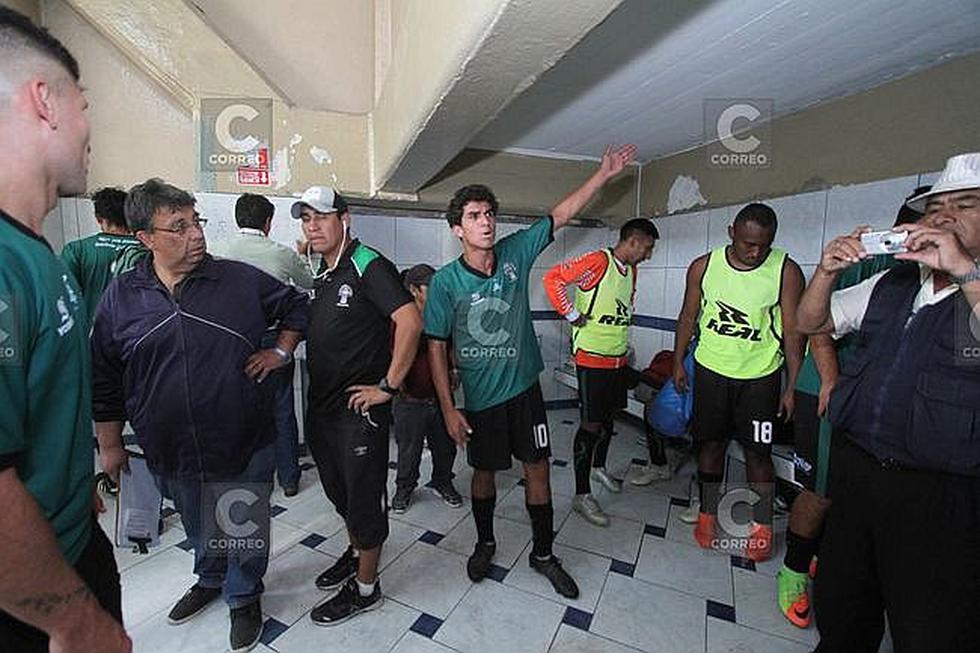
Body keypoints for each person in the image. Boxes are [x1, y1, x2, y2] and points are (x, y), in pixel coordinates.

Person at [92, 178, 309, 653]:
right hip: (169, 446)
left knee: (241, 519)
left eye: (196, 223)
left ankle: (244, 594)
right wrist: (109, 445)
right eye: (179, 227)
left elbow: (297, 306)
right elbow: (104, 375)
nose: (196, 235)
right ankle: (210, 578)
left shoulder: (238, 280)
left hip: (242, 437)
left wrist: (279, 350)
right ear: (144, 238)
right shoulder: (122, 298)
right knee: (195, 520)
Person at [425, 144, 637, 598]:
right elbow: (436, 348)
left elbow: (559, 215)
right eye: (474, 215)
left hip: (525, 392)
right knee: (484, 474)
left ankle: (543, 553)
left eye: (489, 214)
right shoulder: (445, 283)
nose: (485, 221)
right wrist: (448, 409)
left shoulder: (515, 253)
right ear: (456, 228)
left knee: (538, 469)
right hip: (481, 399)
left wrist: (602, 175)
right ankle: (485, 542)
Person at [797, 153, 980, 653]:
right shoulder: (893, 281)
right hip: (860, 473)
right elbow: (810, 323)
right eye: (935, 207)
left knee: (930, 624)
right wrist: (824, 272)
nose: (943, 216)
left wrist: (963, 270)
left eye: (965, 205)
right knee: (843, 606)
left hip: (941, 494)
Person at [0, 8, 131, 652]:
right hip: (28, 607)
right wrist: (73, 623)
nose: (89, 129)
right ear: (44, 102)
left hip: (67, 542)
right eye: (85, 106)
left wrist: (72, 492)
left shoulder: (39, 254)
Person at [775, 186, 928, 628]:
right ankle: (794, 571)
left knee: (854, 489)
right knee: (820, 489)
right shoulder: (872, 261)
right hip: (827, 386)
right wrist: (830, 380)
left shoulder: (954, 276)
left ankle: (834, 562)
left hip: (874, 401)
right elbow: (816, 323)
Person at [294, 186, 422, 626]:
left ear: (344, 218)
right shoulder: (324, 271)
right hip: (323, 410)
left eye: (321, 217)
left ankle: (367, 588)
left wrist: (388, 386)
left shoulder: (368, 264)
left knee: (364, 501)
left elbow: (410, 320)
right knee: (340, 493)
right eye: (306, 218)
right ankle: (354, 553)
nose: (312, 225)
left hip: (359, 412)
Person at [673, 202, 805, 562]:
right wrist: (677, 363)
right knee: (710, 446)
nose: (755, 252)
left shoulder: (786, 271)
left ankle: (761, 527)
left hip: (760, 377)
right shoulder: (704, 266)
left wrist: (791, 385)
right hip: (712, 371)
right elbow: (687, 316)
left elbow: (794, 332)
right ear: (731, 231)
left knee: (758, 455)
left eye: (763, 244)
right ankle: (708, 512)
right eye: (748, 243)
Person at [542, 218, 659, 526]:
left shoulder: (630, 271)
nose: (648, 255)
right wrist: (572, 314)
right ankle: (582, 495)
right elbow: (553, 278)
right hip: (592, 359)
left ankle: (599, 467)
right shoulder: (598, 261)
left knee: (608, 420)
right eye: (647, 248)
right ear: (633, 241)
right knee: (591, 425)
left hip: (617, 359)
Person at [210, 193, 315, 496]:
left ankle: (243, 476)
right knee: (282, 409)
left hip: (229, 343)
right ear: (268, 223)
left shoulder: (216, 251)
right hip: (274, 340)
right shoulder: (282, 254)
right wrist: (305, 253)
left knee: (234, 408)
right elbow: (310, 283)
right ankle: (290, 478)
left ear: (237, 219)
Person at [391, 264, 463, 513]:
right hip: (409, 400)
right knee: (408, 451)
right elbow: (391, 354)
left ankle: (443, 482)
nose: (437, 290)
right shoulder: (401, 319)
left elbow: (451, 344)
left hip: (440, 400)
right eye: (430, 287)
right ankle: (404, 488)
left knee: (445, 446)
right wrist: (396, 382)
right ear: (414, 290)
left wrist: (454, 369)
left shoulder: (442, 314)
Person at [59, 186, 138, 322]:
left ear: (99, 218)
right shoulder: (147, 250)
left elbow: (62, 296)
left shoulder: (76, 250)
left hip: (92, 335)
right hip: (137, 335)